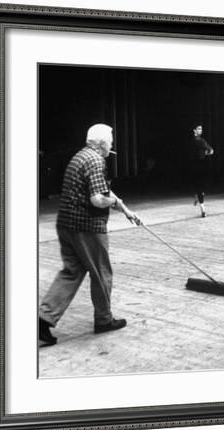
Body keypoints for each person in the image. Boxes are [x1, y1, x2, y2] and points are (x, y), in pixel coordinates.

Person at [39, 123, 141, 347]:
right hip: (86, 227)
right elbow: (98, 199)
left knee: (71, 272)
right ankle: (104, 320)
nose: (112, 145)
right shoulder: (96, 161)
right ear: (102, 143)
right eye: (111, 141)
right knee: (102, 272)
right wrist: (113, 202)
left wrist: (126, 210)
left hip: (66, 224)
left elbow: (102, 189)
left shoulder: (80, 156)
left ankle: (44, 319)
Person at [190, 124, 214, 217]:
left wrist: (204, 153)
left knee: (199, 187)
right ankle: (203, 210)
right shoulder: (201, 141)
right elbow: (211, 150)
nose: (201, 130)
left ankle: (197, 196)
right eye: (199, 129)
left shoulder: (194, 141)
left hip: (198, 166)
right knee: (200, 187)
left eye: (201, 129)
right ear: (194, 130)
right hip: (198, 166)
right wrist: (206, 152)